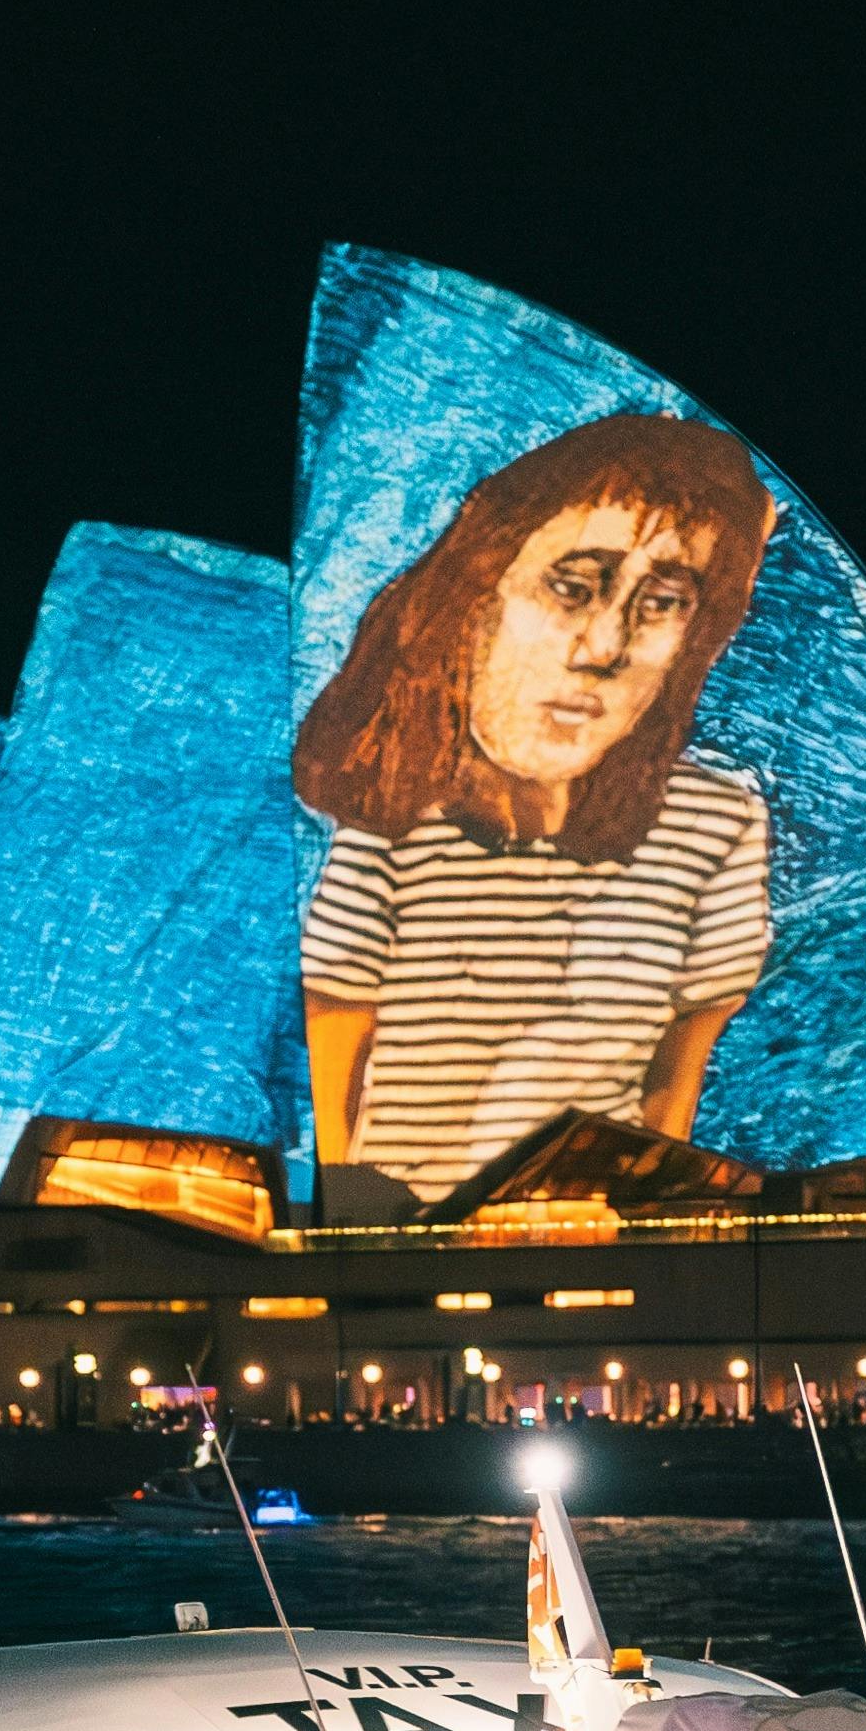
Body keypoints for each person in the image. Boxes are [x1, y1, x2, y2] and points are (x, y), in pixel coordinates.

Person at [296, 408, 779, 1212]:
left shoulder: (716, 823)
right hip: (405, 1247)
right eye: (572, 586)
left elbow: (676, 1087)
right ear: (478, 586)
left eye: (662, 601)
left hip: (593, 1251)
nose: (604, 645)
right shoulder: (393, 815)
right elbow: (332, 1060)